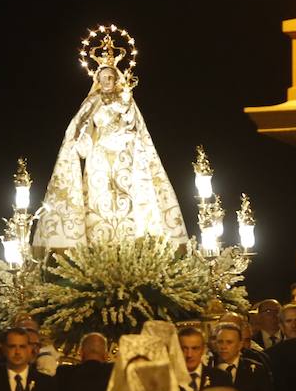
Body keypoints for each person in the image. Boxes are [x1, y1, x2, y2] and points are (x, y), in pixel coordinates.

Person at [32, 30, 187, 248]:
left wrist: (125, 110)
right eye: (103, 77)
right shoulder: (93, 101)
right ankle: (99, 246)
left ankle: (131, 245)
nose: (107, 80)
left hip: (124, 155)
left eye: (111, 77)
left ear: (116, 79)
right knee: (100, 199)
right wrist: (81, 137)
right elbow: (80, 125)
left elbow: (136, 127)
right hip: (100, 154)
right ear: (98, 79)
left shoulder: (126, 100)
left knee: (126, 198)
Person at [204, 322, 277, 391]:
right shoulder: (208, 370)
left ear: (239, 344)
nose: (224, 347)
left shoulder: (256, 370)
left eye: (229, 342)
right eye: (220, 342)